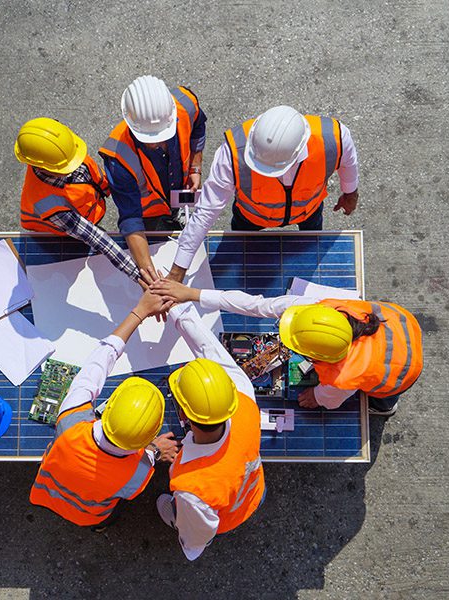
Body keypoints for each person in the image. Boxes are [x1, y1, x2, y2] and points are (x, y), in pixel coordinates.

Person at [150, 279, 422, 416]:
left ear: (319, 356)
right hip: (402, 327)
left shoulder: (343, 378)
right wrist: (192, 294)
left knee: (383, 396)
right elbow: (256, 305)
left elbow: (327, 400)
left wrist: (316, 397)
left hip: (400, 375)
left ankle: (385, 407)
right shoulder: (315, 309)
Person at [29, 290, 180, 530]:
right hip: (89, 515)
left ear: (109, 407)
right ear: (148, 437)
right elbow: (145, 463)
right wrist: (155, 451)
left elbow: (97, 363)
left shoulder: (70, 421)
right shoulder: (138, 475)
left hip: (46, 493)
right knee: (108, 515)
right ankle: (100, 527)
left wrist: (139, 311)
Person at [164, 105, 360, 283]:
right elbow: (206, 211)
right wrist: (178, 268)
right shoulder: (232, 152)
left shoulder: (335, 138)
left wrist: (350, 192)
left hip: (309, 213)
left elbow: (348, 162)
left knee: (308, 253)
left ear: (298, 153)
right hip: (250, 219)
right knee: (239, 264)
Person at [155, 302, 264, 560]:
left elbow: (194, 543)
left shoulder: (192, 489)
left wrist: (150, 452)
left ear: (182, 415)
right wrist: (174, 303)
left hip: (226, 516)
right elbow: (209, 348)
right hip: (254, 492)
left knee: (170, 508)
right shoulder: (244, 397)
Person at [100, 75, 207, 284]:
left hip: (176, 193)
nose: (158, 144)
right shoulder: (117, 158)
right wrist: (148, 273)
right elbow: (131, 218)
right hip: (148, 216)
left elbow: (198, 128)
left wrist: (195, 167)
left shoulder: (186, 105)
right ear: (131, 125)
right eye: (149, 140)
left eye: (163, 136)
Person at [15, 117, 145, 284]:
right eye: (65, 167)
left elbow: (94, 177)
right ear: (40, 166)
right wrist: (137, 274)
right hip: (62, 234)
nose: (75, 166)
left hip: (89, 210)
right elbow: (96, 238)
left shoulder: (65, 152)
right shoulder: (47, 203)